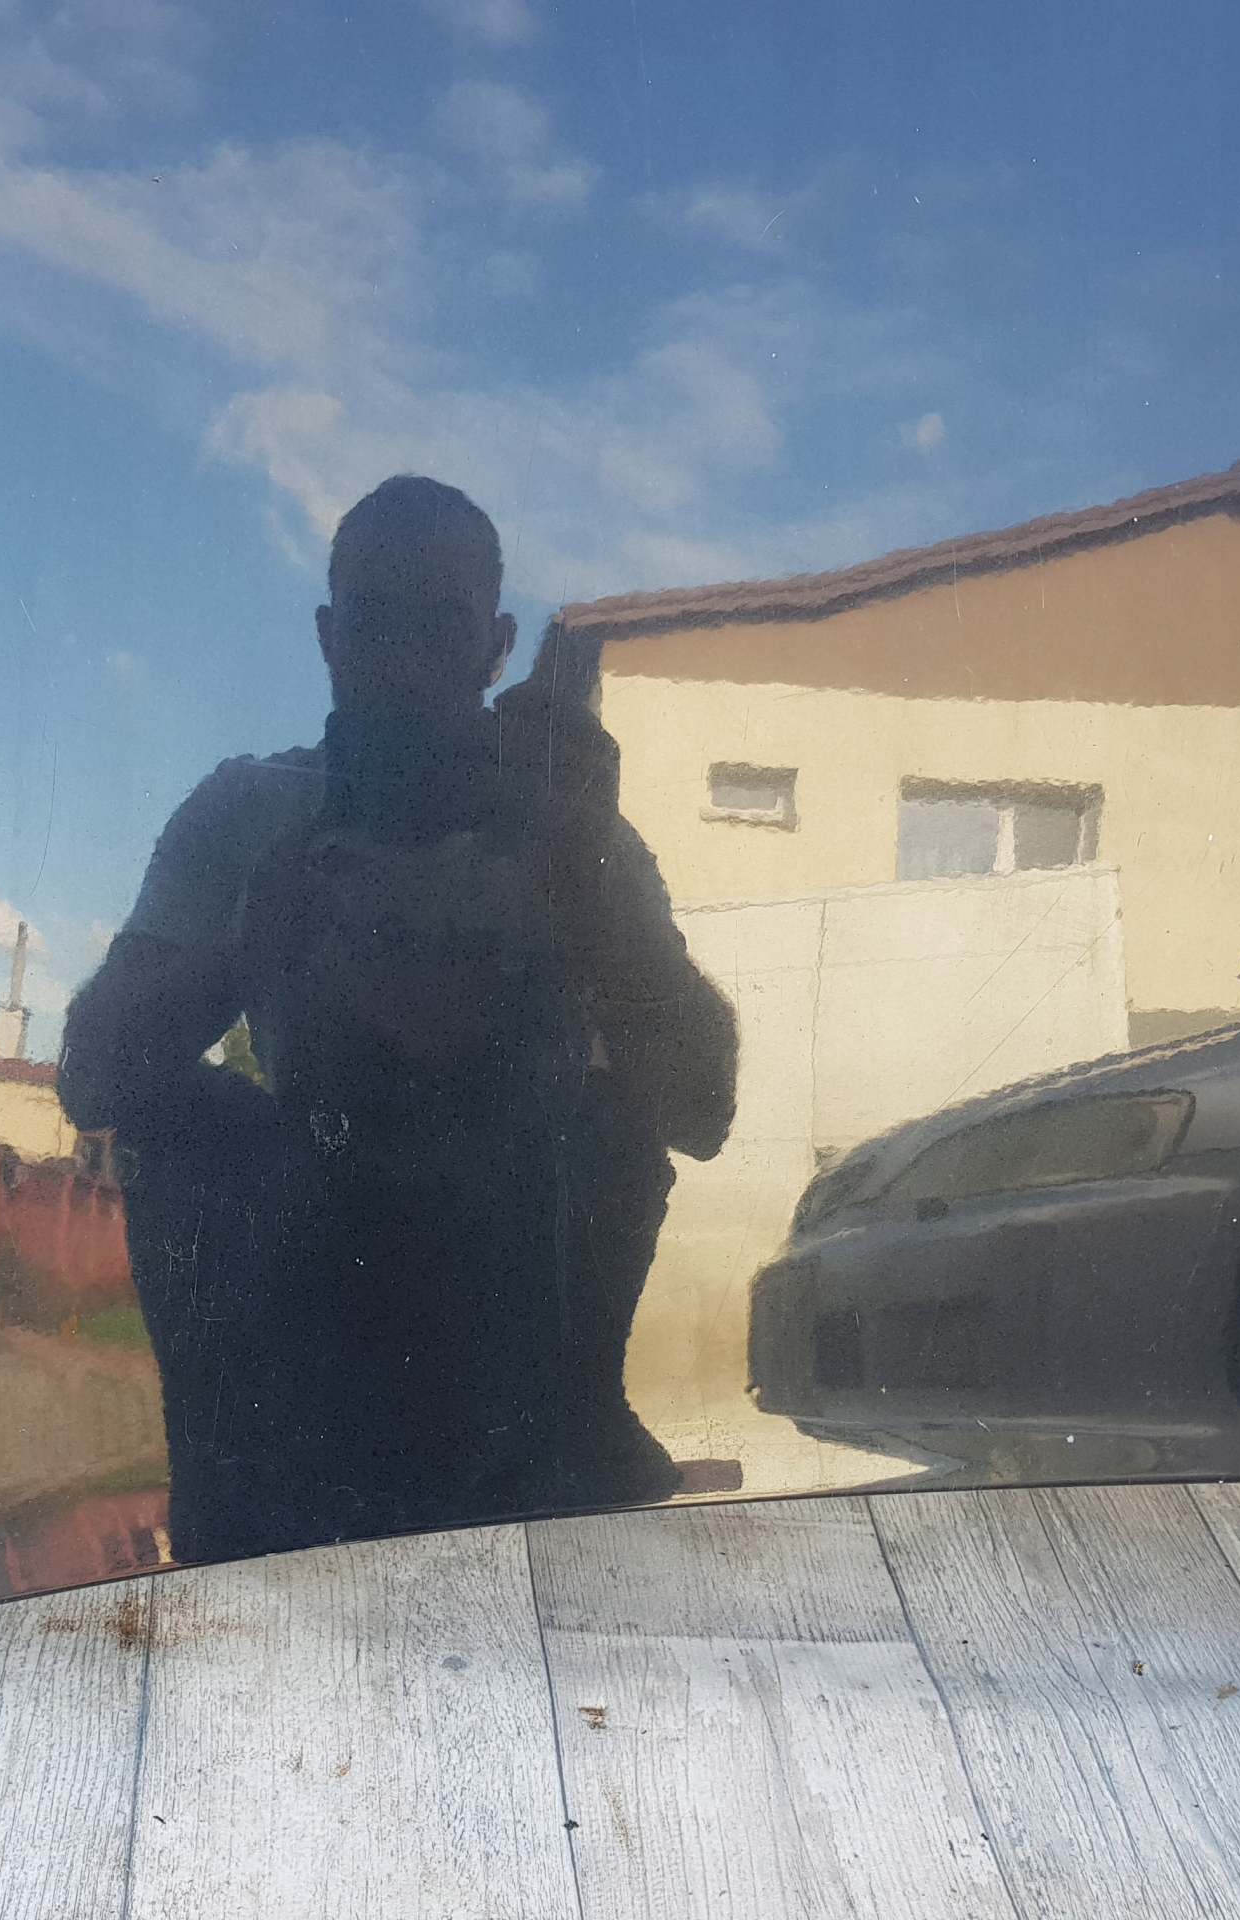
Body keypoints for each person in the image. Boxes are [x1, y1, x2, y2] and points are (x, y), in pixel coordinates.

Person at [61, 476, 736, 1558]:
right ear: (328, 637)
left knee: (600, 1122)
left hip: (515, 1311)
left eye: (441, 627)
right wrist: (252, 937)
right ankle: (240, 1493)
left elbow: (702, 1109)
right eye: (375, 623)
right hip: (310, 1275)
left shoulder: (573, 836)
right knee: (181, 1118)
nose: (407, 664)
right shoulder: (251, 810)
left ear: (496, 648)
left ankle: (560, 1450)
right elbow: (94, 1076)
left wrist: (587, 878)